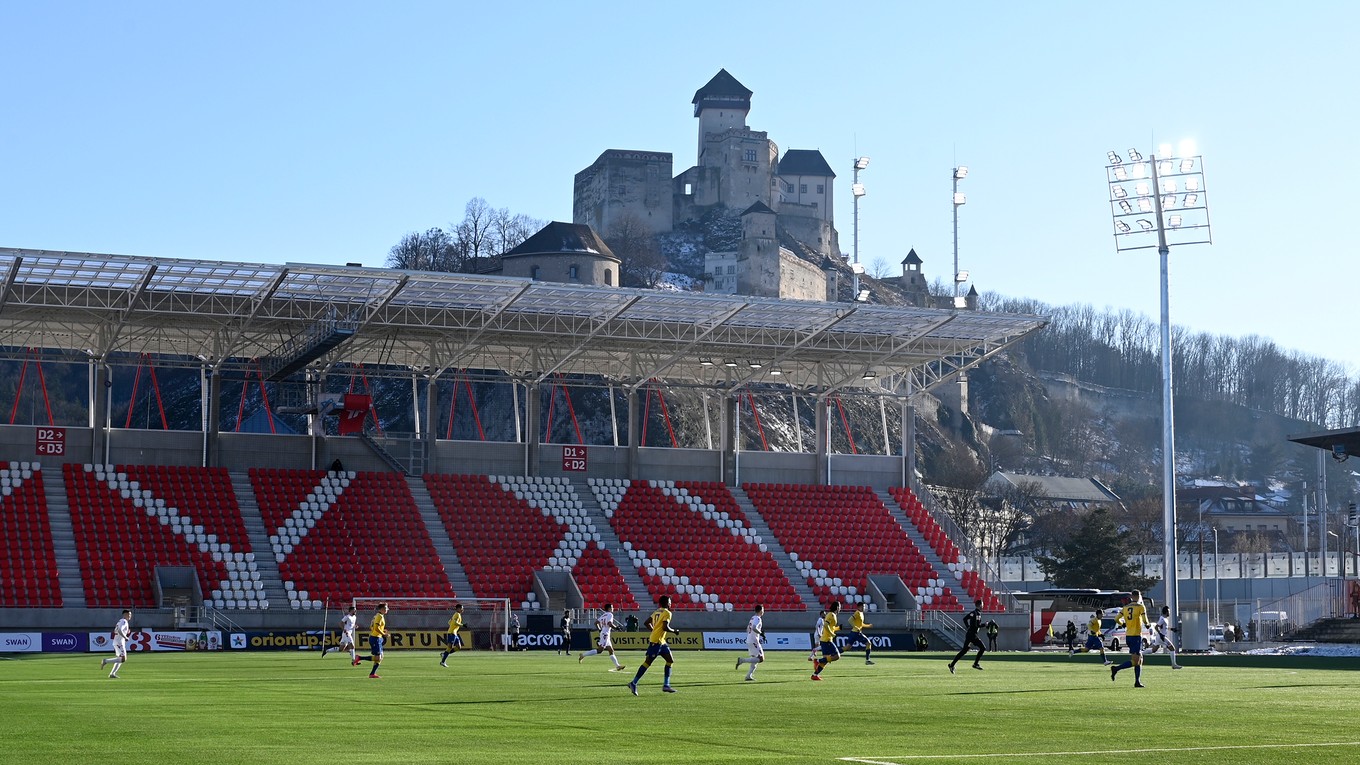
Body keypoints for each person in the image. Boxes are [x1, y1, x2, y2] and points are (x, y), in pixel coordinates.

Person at [628, 595, 680, 695]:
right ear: (666, 603)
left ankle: (666, 685)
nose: (670, 603)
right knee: (647, 663)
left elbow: (646, 623)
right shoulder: (667, 613)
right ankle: (633, 683)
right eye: (669, 601)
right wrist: (675, 631)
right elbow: (665, 627)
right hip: (656, 641)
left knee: (670, 660)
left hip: (661, 641)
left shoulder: (657, 611)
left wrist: (654, 630)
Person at [1111, 590, 1152, 688]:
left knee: (1140, 659)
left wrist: (1123, 624)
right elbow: (1144, 618)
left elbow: (1116, 619)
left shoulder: (1125, 608)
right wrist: (1147, 624)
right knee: (1136, 661)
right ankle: (1116, 668)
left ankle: (1137, 681)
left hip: (1128, 635)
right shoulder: (1140, 607)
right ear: (1138, 596)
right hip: (1136, 636)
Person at [579, 603, 626, 671]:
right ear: (609, 608)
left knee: (611, 650)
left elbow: (596, 623)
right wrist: (616, 628)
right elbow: (609, 624)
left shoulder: (603, 615)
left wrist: (600, 629)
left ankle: (617, 666)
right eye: (612, 607)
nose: (613, 608)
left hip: (604, 633)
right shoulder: (610, 614)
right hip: (605, 634)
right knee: (600, 650)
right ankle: (583, 655)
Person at [948, 599, 987, 673]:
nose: (983, 606)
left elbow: (965, 619)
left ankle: (952, 665)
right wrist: (985, 624)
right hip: (972, 635)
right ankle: (975, 664)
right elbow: (977, 625)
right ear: (980, 605)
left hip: (970, 634)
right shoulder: (977, 614)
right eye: (982, 604)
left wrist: (968, 626)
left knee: (964, 651)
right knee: (982, 648)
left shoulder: (973, 613)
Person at [355, 602, 388, 679]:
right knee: (378, 658)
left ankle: (372, 674)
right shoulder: (379, 616)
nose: (387, 609)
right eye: (386, 608)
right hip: (375, 638)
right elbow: (376, 628)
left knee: (381, 656)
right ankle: (359, 658)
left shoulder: (377, 616)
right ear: (381, 609)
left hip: (377, 638)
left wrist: (382, 631)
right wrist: (383, 633)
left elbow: (372, 627)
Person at [811, 601, 842, 681]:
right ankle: (817, 660)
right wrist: (831, 633)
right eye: (840, 607)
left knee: (826, 660)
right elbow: (826, 625)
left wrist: (838, 628)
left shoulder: (832, 615)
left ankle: (815, 675)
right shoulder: (831, 615)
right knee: (837, 656)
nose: (840, 609)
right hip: (827, 640)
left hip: (825, 640)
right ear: (837, 607)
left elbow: (830, 627)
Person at [735, 605, 765, 681]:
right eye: (763, 610)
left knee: (754, 660)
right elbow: (754, 627)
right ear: (760, 610)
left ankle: (748, 676)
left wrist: (751, 635)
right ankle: (742, 660)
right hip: (754, 641)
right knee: (761, 659)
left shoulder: (752, 618)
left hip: (750, 639)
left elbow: (747, 629)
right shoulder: (758, 618)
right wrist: (760, 633)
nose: (763, 611)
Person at [100, 608, 132, 678]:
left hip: (118, 642)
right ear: (125, 614)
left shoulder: (120, 621)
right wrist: (125, 637)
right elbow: (119, 630)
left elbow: (115, 630)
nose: (130, 616)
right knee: (123, 659)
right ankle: (105, 661)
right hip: (119, 642)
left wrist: (126, 631)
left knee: (120, 659)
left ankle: (112, 674)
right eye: (129, 614)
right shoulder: (124, 621)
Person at [1155, 605, 1183, 670]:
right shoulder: (1162, 619)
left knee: (1153, 649)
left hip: (1160, 637)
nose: (1169, 613)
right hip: (1162, 637)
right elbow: (1156, 627)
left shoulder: (1164, 619)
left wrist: (1172, 629)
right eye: (1169, 611)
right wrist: (1161, 634)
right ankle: (1174, 665)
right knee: (1172, 648)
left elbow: (1164, 628)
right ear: (1166, 612)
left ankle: (1140, 653)